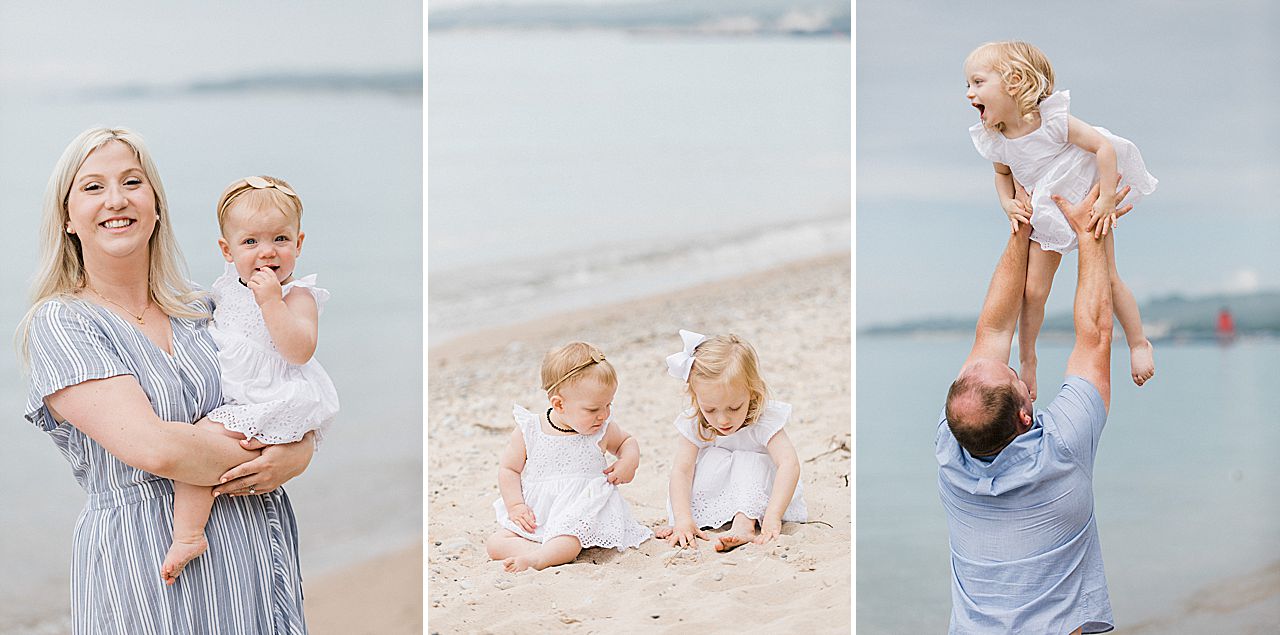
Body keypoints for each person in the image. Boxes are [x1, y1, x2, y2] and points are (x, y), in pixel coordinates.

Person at [19, 127, 315, 633]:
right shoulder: (63, 324)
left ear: (155, 205)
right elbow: (157, 450)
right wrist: (285, 452)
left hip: (255, 550)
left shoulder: (206, 307)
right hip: (149, 565)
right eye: (92, 187)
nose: (116, 199)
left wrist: (301, 447)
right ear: (68, 218)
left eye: (132, 182)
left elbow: (282, 385)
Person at [937, 183, 1129, 634]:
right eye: (1016, 380)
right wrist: (1089, 235)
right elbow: (1095, 336)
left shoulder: (951, 448)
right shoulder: (1062, 449)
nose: (1015, 373)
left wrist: (1019, 232)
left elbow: (992, 331)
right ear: (1026, 415)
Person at [161, 175, 339, 584]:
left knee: (196, 443)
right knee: (199, 446)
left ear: (299, 243)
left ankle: (187, 535)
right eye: (250, 242)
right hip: (242, 398)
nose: (267, 253)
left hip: (272, 398)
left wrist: (272, 302)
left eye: (280, 239)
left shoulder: (298, 296)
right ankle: (194, 528)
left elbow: (299, 350)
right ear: (227, 250)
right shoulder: (224, 289)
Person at [965, 40, 1157, 400]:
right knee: (1033, 291)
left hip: (1083, 193)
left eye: (977, 83)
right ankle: (1029, 359)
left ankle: (1137, 342)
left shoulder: (1051, 120)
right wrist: (1007, 204)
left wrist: (1103, 201)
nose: (968, 94)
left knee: (1109, 280)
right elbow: (1002, 176)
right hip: (1046, 209)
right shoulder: (997, 138)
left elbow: (1104, 147)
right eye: (967, 86)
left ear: (1015, 81)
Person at [484, 342, 651, 572]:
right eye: (593, 409)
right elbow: (509, 469)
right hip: (542, 511)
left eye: (608, 405)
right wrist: (515, 506)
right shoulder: (530, 430)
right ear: (559, 404)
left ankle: (540, 558)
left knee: (568, 543)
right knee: (495, 544)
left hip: (584, 509)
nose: (603, 415)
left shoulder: (602, 430)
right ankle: (542, 551)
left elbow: (627, 442)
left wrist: (627, 462)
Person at [655, 330, 805, 552]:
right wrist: (682, 517)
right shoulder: (696, 422)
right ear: (696, 398)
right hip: (718, 489)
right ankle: (693, 521)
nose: (722, 419)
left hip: (759, 490)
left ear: (752, 392)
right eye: (710, 409)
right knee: (701, 466)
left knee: (748, 461)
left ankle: (744, 525)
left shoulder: (762, 420)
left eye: (734, 407)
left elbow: (788, 464)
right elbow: (682, 471)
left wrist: (773, 514)